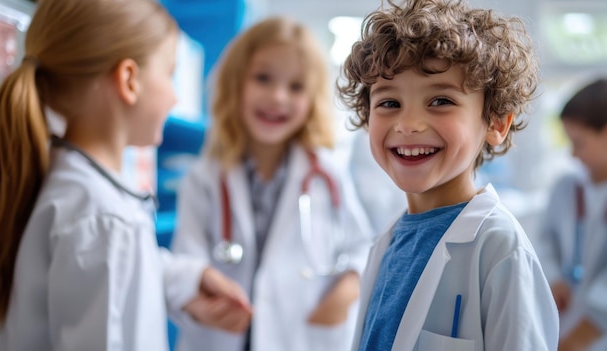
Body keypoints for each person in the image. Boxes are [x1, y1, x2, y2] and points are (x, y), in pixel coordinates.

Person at [0, 0, 251, 350]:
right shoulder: (106, 218)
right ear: (129, 80)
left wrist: (182, 280)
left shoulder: (58, 180)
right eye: (169, 74)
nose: (173, 97)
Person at [337, 0, 559, 350]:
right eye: (389, 103)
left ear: (496, 123)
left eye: (440, 101)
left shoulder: (499, 248)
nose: (408, 125)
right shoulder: (387, 245)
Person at [171, 16, 373, 351]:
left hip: (302, 335)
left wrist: (347, 288)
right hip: (221, 337)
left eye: (295, 87)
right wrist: (197, 292)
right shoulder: (205, 178)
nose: (278, 97)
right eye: (263, 79)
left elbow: (361, 246)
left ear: (311, 100)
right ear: (236, 83)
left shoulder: (326, 175)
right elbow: (186, 259)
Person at [536, 78, 607, 351]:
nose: (573, 154)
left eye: (580, 142)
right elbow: (544, 241)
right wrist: (554, 278)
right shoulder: (566, 187)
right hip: (564, 320)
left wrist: (575, 342)